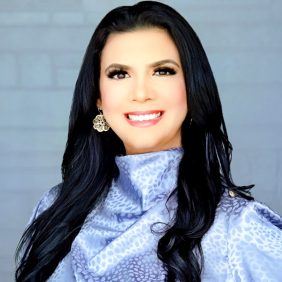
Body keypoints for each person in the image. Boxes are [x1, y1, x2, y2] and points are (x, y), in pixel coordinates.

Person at [15, 1, 282, 281]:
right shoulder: (55, 209)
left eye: (162, 71)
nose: (141, 93)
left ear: (192, 88)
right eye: (119, 74)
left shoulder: (238, 228)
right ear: (98, 96)